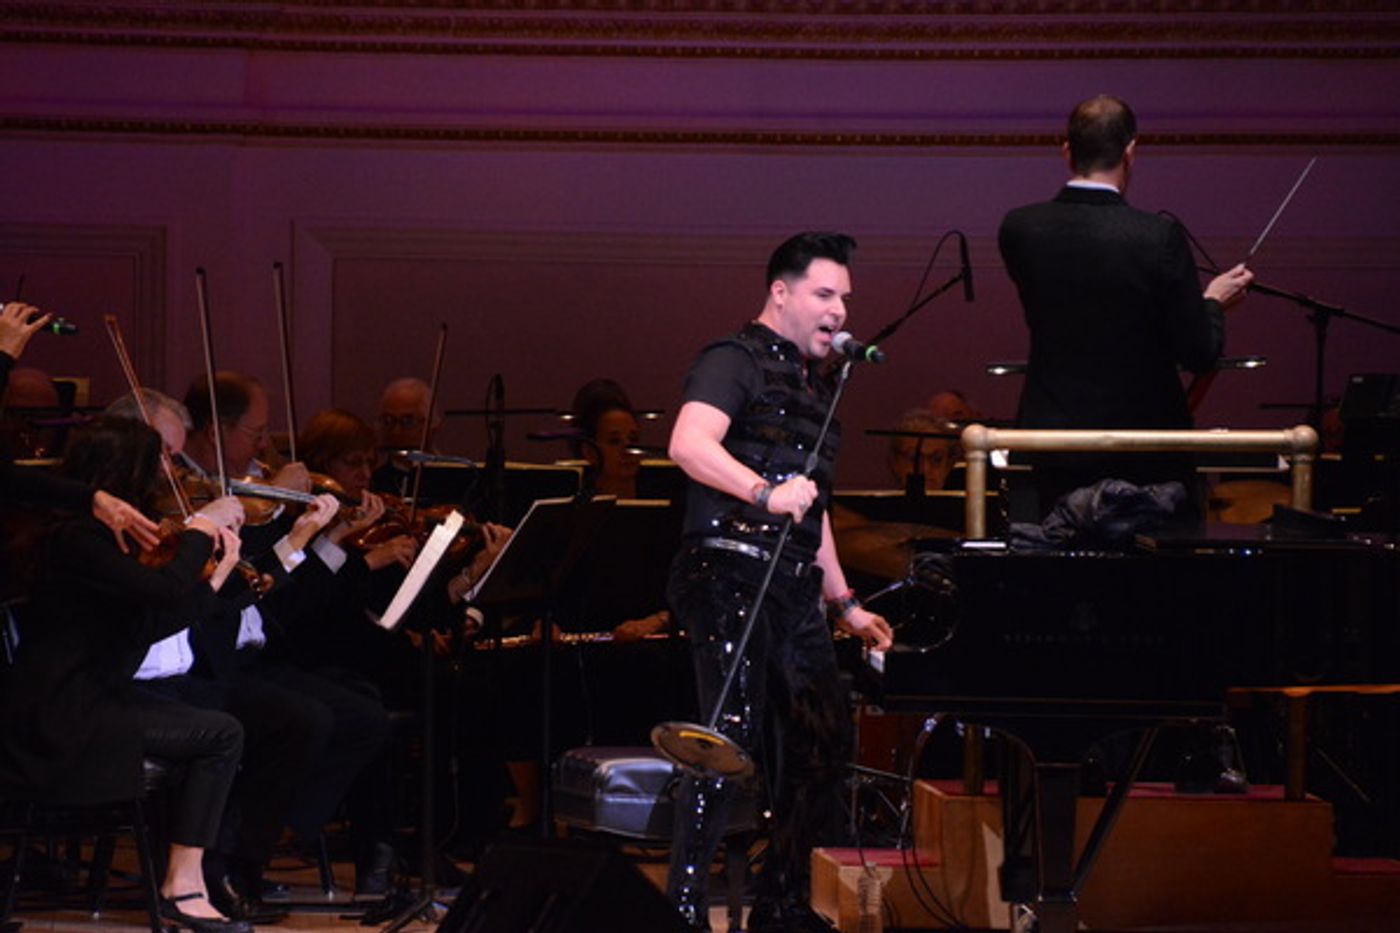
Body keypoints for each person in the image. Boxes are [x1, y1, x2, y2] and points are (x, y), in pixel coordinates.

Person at [664, 232, 893, 932]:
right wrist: (764, 492)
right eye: (825, 294)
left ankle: (782, 905)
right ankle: (681, 911)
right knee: (725, 736)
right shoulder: (733, 359)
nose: (838, 310)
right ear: (782, 293)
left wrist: (846, 603)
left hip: (792, 581)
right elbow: (688, 444)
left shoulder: (815, 389)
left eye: (845, 298)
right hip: (726, 566)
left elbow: (812, 509)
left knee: (826, 741)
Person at [0, 417, 251, 933]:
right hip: (59, 715)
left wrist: (218, 576)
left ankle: (186, 882)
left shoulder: (101, 539)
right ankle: (182, 887)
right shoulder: (76, 539)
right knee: (219, 734)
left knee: (214, 722)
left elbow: (147, 624)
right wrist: (201, 529)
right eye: (156, 466)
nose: (165, 480)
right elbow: (161, 597)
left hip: (90, 699)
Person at [998, 94, 1254, 518]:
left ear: (1067, 152)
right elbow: (1197, 352)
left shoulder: (1020, 229)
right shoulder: (1158, 236)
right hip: (1147, 448)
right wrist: (1212, 301)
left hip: (1054, 441)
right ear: (1131, 152)